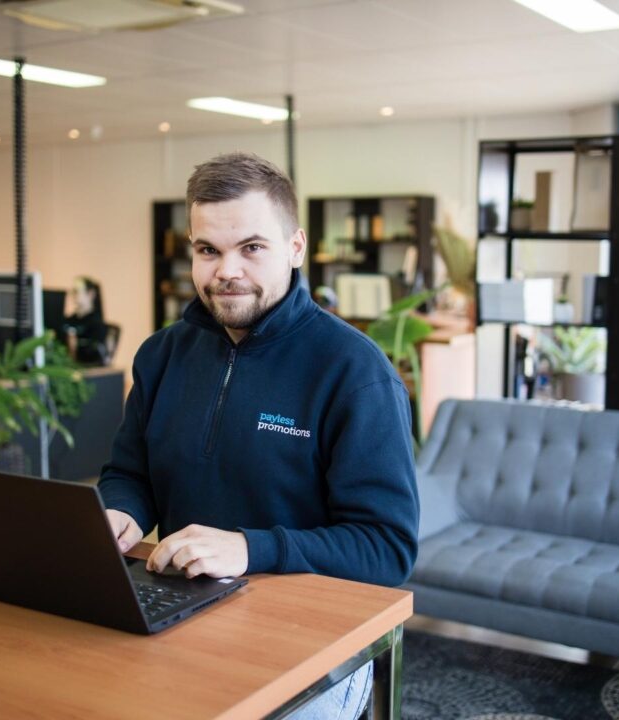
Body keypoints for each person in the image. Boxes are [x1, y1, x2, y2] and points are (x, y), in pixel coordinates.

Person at [99, 152, 419, 719]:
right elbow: (131, 473)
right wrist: (119, 512)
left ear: (295, 248)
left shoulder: (354, 373)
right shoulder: (162, 355)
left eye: (251, 248)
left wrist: (250, 548)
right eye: (208, 250)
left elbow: (386, 548)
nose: (227, 271)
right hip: (185, 612)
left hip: (317, 645)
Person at [63, 276, 108, 365]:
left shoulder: (96, 323)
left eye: (77, 291)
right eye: (73, 291)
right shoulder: (70, 319)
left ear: (90, 294)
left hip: (88, 367)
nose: (74, 294)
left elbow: (96, 353)